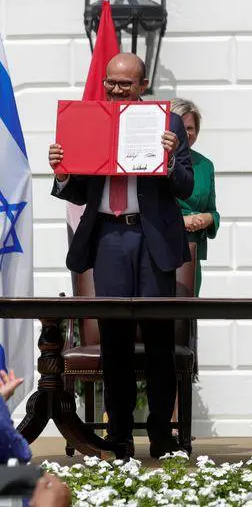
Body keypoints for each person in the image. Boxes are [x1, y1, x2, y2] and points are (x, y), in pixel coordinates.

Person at [49, 52, 194, 460]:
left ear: (142, 85)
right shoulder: (91, 119)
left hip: (152, 240)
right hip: (110, 237)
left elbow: (185, 185)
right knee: (114, 340)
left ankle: (161, 434)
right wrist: (62, 173)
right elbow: (80, 189)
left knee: (158, 339)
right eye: (111, 82)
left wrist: (166, 160)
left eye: (124, 83)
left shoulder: (167, 123)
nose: (115, 89)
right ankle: (120, 433)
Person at [171, 98, 220, 296]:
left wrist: (207, 219)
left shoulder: (205, 165)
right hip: (163, 246)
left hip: (192, 251)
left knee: (187, 317)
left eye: (191, 128)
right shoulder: (155, 162)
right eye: (181, 127)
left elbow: (213, 211)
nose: (186, 133)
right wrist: (181, 221)